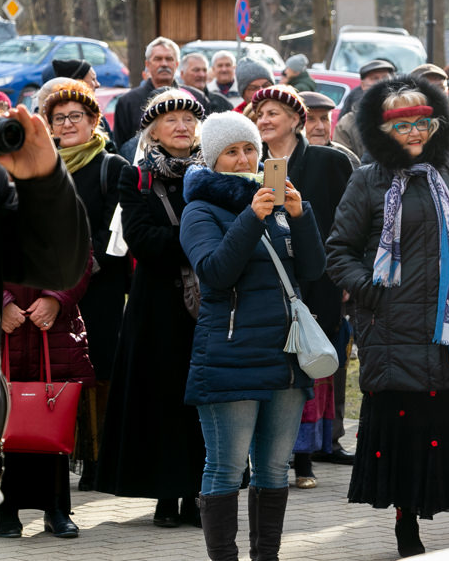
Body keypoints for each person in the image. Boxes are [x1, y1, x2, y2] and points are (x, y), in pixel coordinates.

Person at [325, 76, 449, 557]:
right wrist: (372, 293)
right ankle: (406, 530)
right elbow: (339, 252)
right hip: (390, 332)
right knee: (406, 436)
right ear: (382, 130)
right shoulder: (367, 179)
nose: (414, 132)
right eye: (402, 124)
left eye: (423, 122)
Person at [178, 111, 325, 560]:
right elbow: (215, 273)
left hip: (284, 356)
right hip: (229, 355)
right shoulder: (199, 209)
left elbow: (313, 271)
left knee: (274, 469)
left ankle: (268, 557)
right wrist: (250, 217)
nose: (243, 159)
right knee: (225, 468)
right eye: (232, 152)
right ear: (212, 158)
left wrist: (301, 217)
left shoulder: (278, 203)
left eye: (249, 150)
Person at [95, 90, 207, 528]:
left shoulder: (215, 172)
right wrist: (199, 239)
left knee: (201, 399)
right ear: (152, 130)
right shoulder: (136, 177)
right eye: (171, 119)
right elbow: (141, 241)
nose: (181, 126)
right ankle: (165, 492)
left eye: (188, 119)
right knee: (160, 397)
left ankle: (199, 493)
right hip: (156, 306)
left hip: (205, 305)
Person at [0, 104, 91, 538]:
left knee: (48, 423)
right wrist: (5, 304)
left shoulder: (9, 183)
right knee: (11, 431)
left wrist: (45, 178)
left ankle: (55, 508)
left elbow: (69, 259)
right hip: (11, 332)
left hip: (50, 332)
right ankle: (6, 509)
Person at [252, 85, 354, 479]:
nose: (264, 120)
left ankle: (309, 453)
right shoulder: (251, 163)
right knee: (275, 359)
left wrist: (346, 272)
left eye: (273, 113)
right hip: (271, 275)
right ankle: (273, 454)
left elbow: (351, 221)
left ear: (297, 120)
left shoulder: (331, 162)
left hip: (321, 275)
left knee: (312, 360)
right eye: (259, 114)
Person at [43, 80, 132, 490]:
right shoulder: (42, 166)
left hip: (100, 287)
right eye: (58, 118)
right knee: (59, 369)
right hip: (50, 292)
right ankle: (63, 453)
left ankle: (99, 459)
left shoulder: (111, 166)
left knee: (99, 368)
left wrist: (75, 268)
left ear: (94, 120)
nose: (67, 124)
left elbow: (114, 232)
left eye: (76, 116)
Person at [113, 37, 180, 148]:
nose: (164, 64)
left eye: (169, 59)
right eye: (158, 59)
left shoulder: (191, 98)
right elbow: (120, 145)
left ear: (176, 64)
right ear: (147, 65)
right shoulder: (127, 102)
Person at [335, 59, 396, 157]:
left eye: (385, 77)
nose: (381, 82)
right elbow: (343, 162)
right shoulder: (347, 123)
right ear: (363, 85)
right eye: (374, 78)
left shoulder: (405, 115)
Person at [299, 90, 360, 168]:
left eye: (324, 118)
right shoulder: (284, 156)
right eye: (310, 119)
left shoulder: (346, 159)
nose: (320, 127)